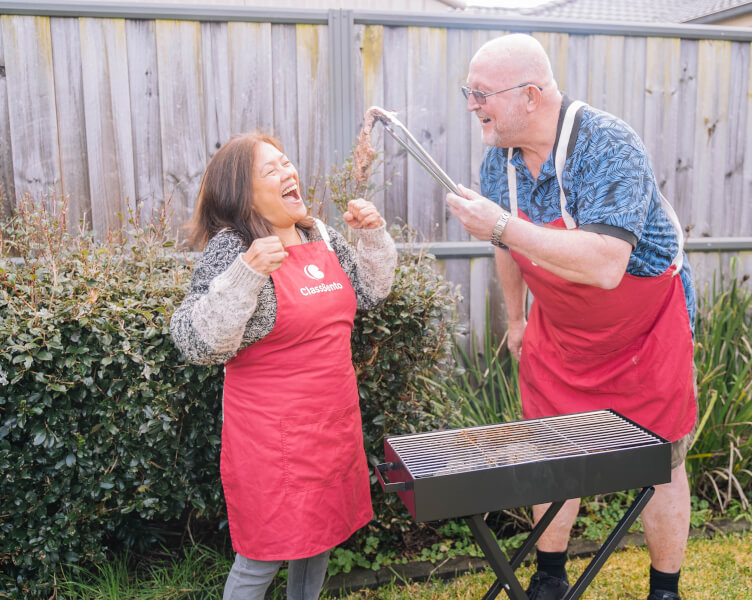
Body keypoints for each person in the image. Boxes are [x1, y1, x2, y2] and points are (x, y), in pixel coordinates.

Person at [445, 34, 697, 600]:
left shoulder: (606, 145)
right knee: (549, 454)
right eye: (469, 92)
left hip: (644, 330)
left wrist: (501, 227)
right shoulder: (499, 164)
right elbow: (506, 249)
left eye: (481, 93)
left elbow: (607, 265)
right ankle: (550, 577)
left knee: (660, 461)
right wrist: (516, 319)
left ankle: (665, 590)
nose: (471, 105)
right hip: (559, 332)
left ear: (530, 96)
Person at [170, 131, 397, 600]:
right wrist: (246, 273)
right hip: (272, 443)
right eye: (270, 170)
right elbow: (195, 340)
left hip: (332, 426)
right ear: (241, 193)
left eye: (286, 163)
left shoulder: (320, 235)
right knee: (262, 557)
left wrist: (371, 235)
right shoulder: (233, 248)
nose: (288, 173)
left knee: (320, 540)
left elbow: (372, 291)